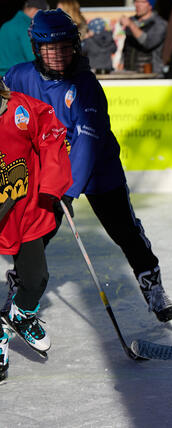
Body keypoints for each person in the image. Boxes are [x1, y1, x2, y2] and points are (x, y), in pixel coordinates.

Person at [2, 9, 172, 324]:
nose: (59, 55)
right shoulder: (18, 76)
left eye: (66, 46)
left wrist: (66, 190)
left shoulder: (85, 85)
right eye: (50, 48)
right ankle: (21, 289)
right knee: (34, 236)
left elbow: (87, 141)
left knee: (125, 230)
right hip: (46, 171)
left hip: (98, 170)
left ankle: (153, 286)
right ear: (37, 49)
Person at [0, 79, 73, 370]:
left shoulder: (21, 109)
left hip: (25, 210)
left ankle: (17, 317)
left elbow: (53, 136)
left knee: (36, 278)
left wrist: (54, 184)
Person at [0, 0, 49, 76]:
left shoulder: (5, 26)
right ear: (36, 11)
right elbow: (33, 58)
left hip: (2, 79)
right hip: (18, 80)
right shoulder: (28, 27)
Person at [120, 0, 167, 73]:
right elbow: (127, 47)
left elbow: (148, 43)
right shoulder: (132, 20)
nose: (138, 5)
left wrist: (131, 25)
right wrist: (121, 63)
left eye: (142, 2)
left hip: (151, 75)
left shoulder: (159, 24)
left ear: (150, 5)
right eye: (136, 1)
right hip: (129, 73)